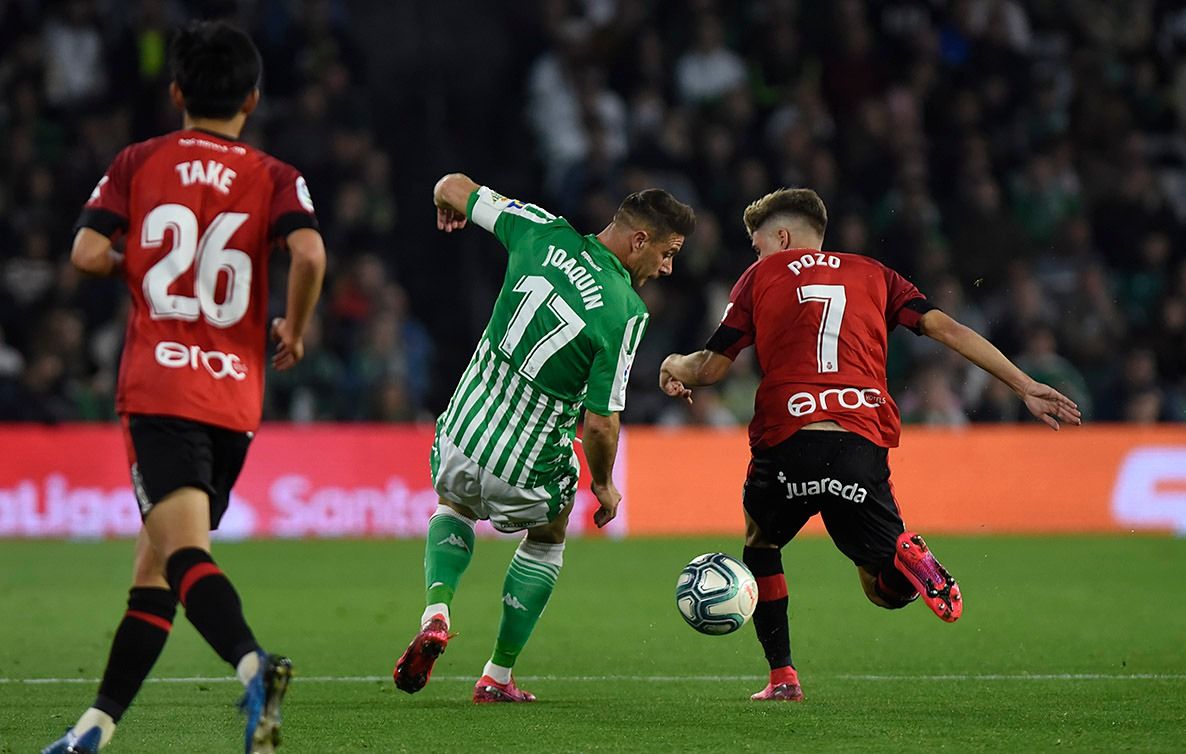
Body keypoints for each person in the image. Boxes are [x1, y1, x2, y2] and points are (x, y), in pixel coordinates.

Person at [659, 188, 1080, 702]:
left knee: (762, 544)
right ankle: (904, 561)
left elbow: (711, 367)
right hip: (860, 443)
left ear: (783, 237)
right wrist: (1023, 384)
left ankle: (783, 678)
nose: (757, 254)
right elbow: (946, 328)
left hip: (789, 439)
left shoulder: (760, 277)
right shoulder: (875, 274)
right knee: (882, 589)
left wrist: (672, 364)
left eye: (758, 243)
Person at [43, 21, 326, 754]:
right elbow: (309, 251)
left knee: (180, 556)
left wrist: (131, 265)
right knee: (156, 570)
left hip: (162, 390)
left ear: (176, 93)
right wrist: (293, 328)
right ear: (253, 100)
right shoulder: (275, 175)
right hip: (235, 399)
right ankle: (91, 732)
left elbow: (83, 252)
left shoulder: (140, 160)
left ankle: (256, 667)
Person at [393, 174, 694, 703]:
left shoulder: (539, 229)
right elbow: (600, 422)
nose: (667, 269)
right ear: (639, 240)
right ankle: (497, 676)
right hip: (526, 466)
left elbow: (450, 184)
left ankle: (437, 610)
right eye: (668, 254)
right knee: (549, 536)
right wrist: (603, 485)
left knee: (455, 503)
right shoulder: (624, 310)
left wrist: (447, 205)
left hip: (460, 435)